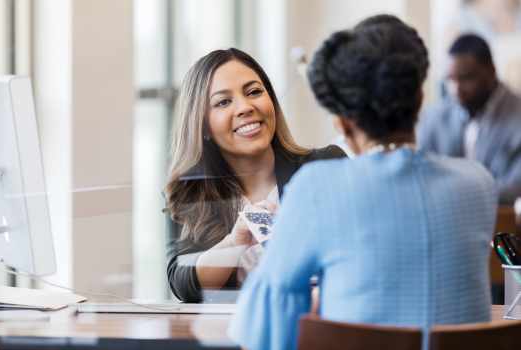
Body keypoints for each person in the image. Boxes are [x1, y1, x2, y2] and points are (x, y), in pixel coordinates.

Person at [229, 15, 498, 350]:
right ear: (418, 100)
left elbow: (266, 328)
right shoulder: (478, 184)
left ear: (342, 122)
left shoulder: (318, 187)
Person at [165, 48, 345, 303]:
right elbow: (182, 283)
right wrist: (235, 242)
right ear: (203, 125)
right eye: (223, 102)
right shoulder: (191, 191)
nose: (245, 107)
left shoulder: (324, 166)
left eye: (254, 92)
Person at [417, 33, 521, 205]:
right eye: (451, 80)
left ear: (491, 71)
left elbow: (516, 187)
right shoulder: (434, 117)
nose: (456, 90)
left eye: (466, 78)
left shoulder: (517, 116)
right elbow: (420, 173)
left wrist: (457, 196)